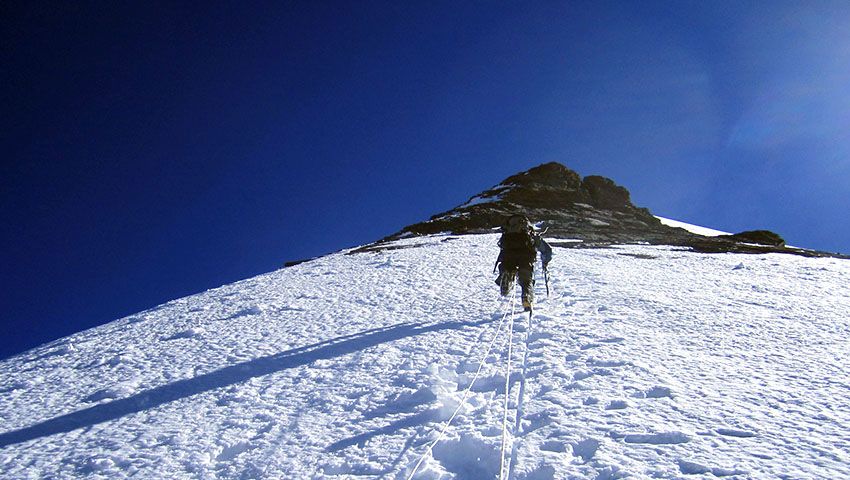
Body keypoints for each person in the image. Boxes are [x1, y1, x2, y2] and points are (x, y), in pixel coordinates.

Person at [494, 214, 551, 311]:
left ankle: (507, 275)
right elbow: (547, 250)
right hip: (526, 257)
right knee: (526, 280)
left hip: (509, 255)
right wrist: (545, 261)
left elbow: (501, 246)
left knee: (507, 267)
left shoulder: (507, 233)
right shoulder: (530, 233)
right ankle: (526, 297)